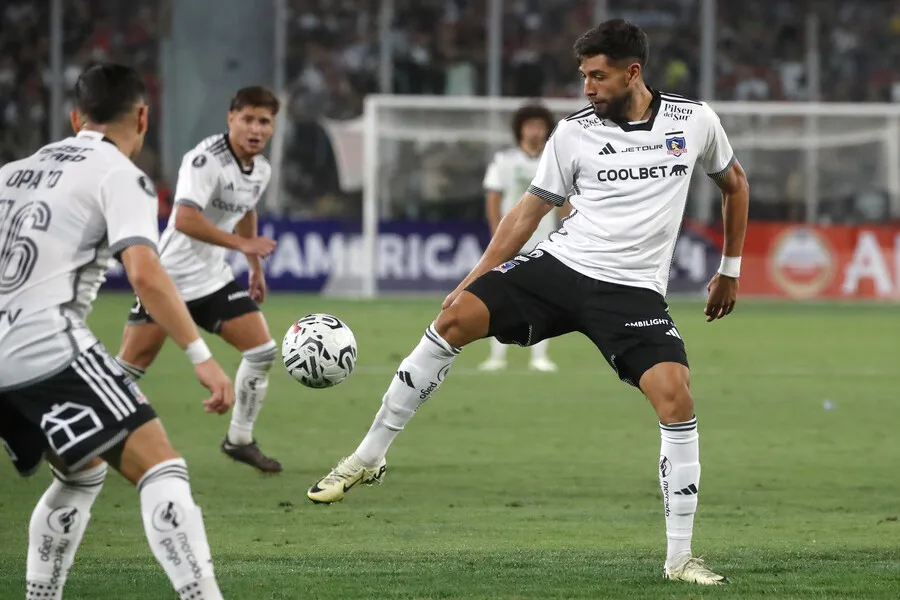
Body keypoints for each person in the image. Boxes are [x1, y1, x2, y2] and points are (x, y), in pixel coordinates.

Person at [307, 20, 750, 586]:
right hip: (562, 268)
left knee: (676, 399)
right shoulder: (572, 133)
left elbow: (735, 184)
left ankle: (679, 559)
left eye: (598, 76)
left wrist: (729, 271)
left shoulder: (694, 121)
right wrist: (476, 276)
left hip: (634, 291)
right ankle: (368, 457)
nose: (587, 87)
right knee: (453, 320)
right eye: (583, 75)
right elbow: (529, 211)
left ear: (632, 72)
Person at [0, 63, 234, 600]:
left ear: (75, 116)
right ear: (144, 116)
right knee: (162, 467)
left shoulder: (12, 170)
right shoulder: (119, 173)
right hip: (44, 344)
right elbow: (146, 273)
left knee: (81, 469)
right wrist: (201, 354)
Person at [114, 87, 282, 473]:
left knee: (262, 351)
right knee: (126, 371)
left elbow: (246, 209)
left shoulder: (260, 168)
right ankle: (79, 432)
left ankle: (239, 439)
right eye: (248, 119)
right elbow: (186, 219)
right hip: (168, 279)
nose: (256, 129)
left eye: (264, 122)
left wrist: (253, 265)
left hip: (212, 279)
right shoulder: (205, 160)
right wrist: (244, 243)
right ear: (230, 119)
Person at [478, 103, 565, 373]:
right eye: (529, 125)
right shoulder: (504, 161)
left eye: (540, 126)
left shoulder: (554, 162)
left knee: (544, 300)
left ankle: (539, 356)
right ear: (520, 130)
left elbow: (565, 202)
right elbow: (493, 196)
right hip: (510, 241)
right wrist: (497, 233)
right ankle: (497, 356)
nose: (535, 131)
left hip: (544, 242)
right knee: (499, 298)